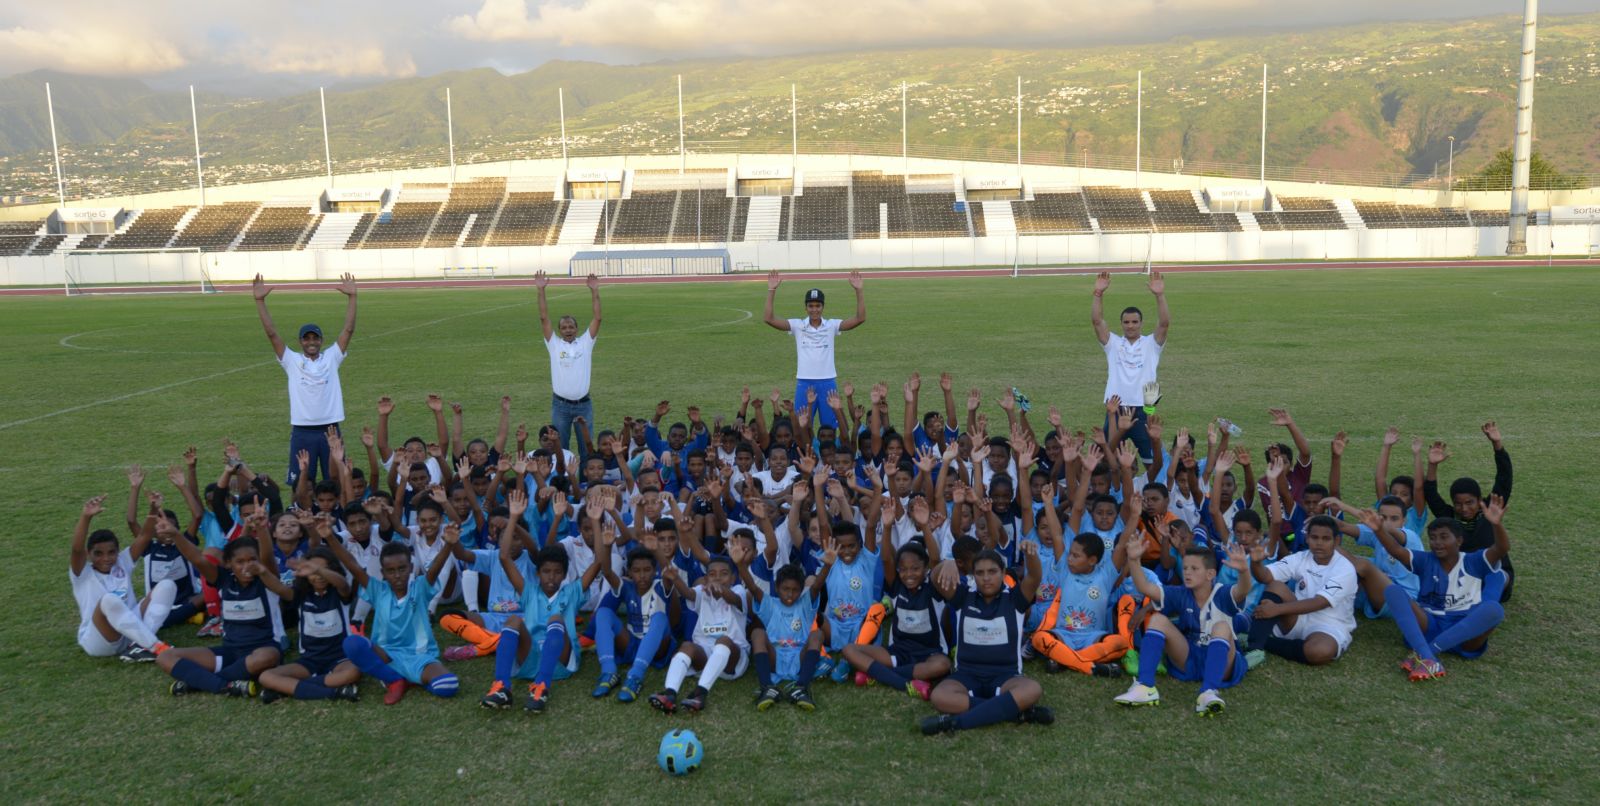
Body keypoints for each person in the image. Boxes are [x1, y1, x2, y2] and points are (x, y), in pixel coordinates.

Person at [1365, 497, 1510, 681]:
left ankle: (1427, 654)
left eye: (1443, 537)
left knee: (1493, 609)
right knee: (1393, 592)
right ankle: (1429, 657)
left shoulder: (1473, 560)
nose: (1437, 542)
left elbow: (1502, 548)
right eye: (1433, 538)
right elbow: (1396, 549)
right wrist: (1378, 530)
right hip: (1429, 625)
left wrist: (1496, 525)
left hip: (1464, 632)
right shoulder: (1425, 560)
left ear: (1459, 541)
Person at [920, 543, 1054, 735]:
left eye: (992, 572)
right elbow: (934, 578)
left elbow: (1034, 577)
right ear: (973, 575)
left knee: (1032, 689)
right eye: (980, 573)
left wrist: (1031, 555)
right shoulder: (963, 597)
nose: (986, 578)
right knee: (940, 696)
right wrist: (947, 563)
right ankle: (1016, 712)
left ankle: (955, 723)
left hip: (1006, 676)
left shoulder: (1015, 599)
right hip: (966, 675)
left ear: (1003, 572)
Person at [157, 507, 288, 697]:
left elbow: (267, 557)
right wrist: (176, 534)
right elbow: (198, 559)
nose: (246, 566)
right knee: (165, 656)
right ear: (229, 564)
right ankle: (224, 686)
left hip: (262, 649)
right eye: (240, 562)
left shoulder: (266, 578)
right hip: (230, 652)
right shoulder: (224, 579)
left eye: (252, 560)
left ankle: (199, 682)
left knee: (268, 657)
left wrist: (262, 528)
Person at [1114, 537, 1253, 715]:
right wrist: (1133, 560)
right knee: (1157, 620)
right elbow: (1145, 587)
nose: (1187, 573)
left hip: (1223, 664)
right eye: (1185, 568)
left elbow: (1243, 589)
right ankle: (1145, 687)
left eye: (1194, 569)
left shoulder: (1223, 593)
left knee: (1222, 627)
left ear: (1210, 574)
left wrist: (1243, 570)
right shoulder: (1180, 593)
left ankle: (1208, 692)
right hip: (1189, 658)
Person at [327, 521, 461, 705]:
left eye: (402, 569)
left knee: (448, 685)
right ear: (383, 572)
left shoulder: (420, 588)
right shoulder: (377, 590)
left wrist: (449, 544)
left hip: (419, 656)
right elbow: (353, 566)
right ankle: (395, 680)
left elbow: (435, 567)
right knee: (352, 644)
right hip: (385, 655)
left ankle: (409, 679)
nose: (397, 575)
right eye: (390, 571)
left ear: (410, 568)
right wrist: (328, 537)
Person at [253, 272, 357, 489]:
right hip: (302, 430)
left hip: (330, 429)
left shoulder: (331, 357)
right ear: (300, 341)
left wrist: (352, 297)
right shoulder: (291, 360)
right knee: (300, 484)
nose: (311, 342)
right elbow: (271, 333)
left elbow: (348, 329)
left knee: (335, 482)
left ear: (321, 340)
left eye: (315, 338)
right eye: (306, 338)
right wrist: (260, 301)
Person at [70, 495, 177, 663]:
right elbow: (76, 550)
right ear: (89, 555)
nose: (106, 558)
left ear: (117, 552)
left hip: (129, 634)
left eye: (111, 552)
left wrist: (153, 510)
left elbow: (144, 537)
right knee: (109, 600)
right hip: (99, 641)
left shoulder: (121, 562)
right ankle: (155, 646)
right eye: (98, 553)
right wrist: (86, 517)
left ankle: (140, 646)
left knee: (167, 585)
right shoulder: (82, 574)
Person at [1245, 514, 1358, 666]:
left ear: (1336, 541)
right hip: (1296, 617)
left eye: (1326, 539)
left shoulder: (1345, 568)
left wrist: (1277, 609)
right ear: (1307, 538)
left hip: (1329, 624)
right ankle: (1254, 647)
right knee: (1276, 585)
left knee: (1319, 651)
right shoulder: (1301, 557)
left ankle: (1264, 642)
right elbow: (1265, 577)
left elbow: (1320, 602)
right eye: (1314, 537)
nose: (1319, 543)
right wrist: (1256, 563)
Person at [257, 544, 362, 703]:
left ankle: (288, 688)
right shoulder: (301, 594)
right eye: (312, 572)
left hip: (339, 659)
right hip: (309, 661)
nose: (318, 576)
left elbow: (342, 583)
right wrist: (262, 571)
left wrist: (317, 569)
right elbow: (278, 587)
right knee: (266, 677)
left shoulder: (340, 592)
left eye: (323, 570)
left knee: (353, 673)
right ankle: (334, 692)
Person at [763, 270, 865, 429]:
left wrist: (859, 290)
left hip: (828, 382)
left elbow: (860, 318)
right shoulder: (798, 325)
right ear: (806, 308)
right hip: (804, 382)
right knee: (801, 427)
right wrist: (772, 290)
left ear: (823, 307)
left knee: (829, 429)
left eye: (818, 306)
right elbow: (768, 319)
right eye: (811, 306)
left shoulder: (831, 325)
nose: (814, 309)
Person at [1423, 422, 1514, 601]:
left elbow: (1504, 478)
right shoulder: (1449, 518)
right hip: (1465, 579)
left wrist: (1497, 444)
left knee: (1495, 580)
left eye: (1470, 502)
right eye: (1458, 504)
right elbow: (1431, 494)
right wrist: (1432, 465)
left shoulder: (1490, 511)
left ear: (1479, 500)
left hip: (1495, 574)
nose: (1464, 509)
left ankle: (1485, 601)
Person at [1090, 270, 1168, 465]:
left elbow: (1165, 323)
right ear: (1121, 324)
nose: (1130, 326)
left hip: (1145, 407)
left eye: (1134, 322)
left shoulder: (1151, 343)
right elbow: (1097, 321)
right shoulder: (1113, 344)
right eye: (1126, 322)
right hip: (1115, 408)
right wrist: (1098, 294)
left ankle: (1153, 492)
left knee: (1152, 461)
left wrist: (1159, 296)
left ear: (1141, 323)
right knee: (1108, 460)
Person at [536, 271, 602, 463]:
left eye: (571, 327)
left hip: (584, 405)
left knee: (586, 449)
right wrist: (541, 290)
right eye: (564, 327)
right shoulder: (554, 344)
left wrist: (594, 291)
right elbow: (543, 318)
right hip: (561, 406)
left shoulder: (585, 343)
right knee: (560, 449)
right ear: (559, 330)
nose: (567, 330)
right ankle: (563, 485)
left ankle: (585, 486)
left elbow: (597, 319)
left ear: (577, 328)